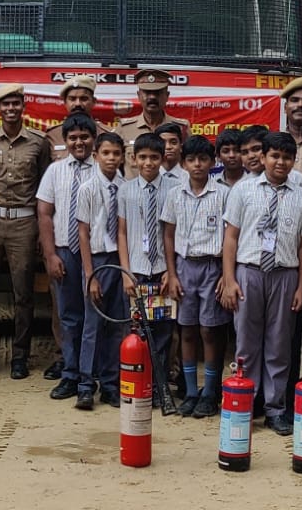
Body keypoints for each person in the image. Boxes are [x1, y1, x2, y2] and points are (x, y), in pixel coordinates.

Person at [220, 132, 302, 436]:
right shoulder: (243, 190)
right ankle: (244, 404)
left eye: (287, 157)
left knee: (279, 344)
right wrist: (229, 279)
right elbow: (231, 238)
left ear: (293, 161)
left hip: (284, 275)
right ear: (263, 158)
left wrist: (301, 287)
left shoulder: (300, 195)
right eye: (274, 156)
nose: (280, 162)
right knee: (246, 343)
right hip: (249, 273)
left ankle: (275, 409)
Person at [0, 83, 51, 379]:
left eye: (16, 104)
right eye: (5, 104)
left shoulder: (38, 142)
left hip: (24, 225)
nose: (11, 109)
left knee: (23, 294)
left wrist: (39, 234)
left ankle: (20, 357)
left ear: (23, 107)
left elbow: (44, 187)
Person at [162, 135, 230, 418]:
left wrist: (227, 274)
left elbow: (229, 237)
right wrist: (172, 273)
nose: (198, 165)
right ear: (183, 163)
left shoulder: (223, 193)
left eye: (203, 159)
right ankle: (191, 391)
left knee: (209, 331)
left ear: (212, 162)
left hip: (212, 268)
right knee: (186, 329)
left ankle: (210, 393)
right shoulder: (175, 194)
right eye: (191, 160)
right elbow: (168, 234)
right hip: (184, 267)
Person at [37, 113, 97, 401]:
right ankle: (70, 375)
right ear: (65, 140)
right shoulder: (54, 171)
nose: (79, 142)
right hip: (65, 253)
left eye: (84, 136)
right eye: (73, 137)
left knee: (95, 317)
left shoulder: (105, 170)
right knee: (69, 317)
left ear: (93, 139)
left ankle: (94, 375)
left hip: (97, 256)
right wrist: (50, 255)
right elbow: (45, 214)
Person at [115, 135, 177, 407]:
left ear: (163, 158)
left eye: (154, 157)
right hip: (137, 272)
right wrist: (125, 272)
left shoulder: (175, 188)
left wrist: (171, 271)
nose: (148, 162)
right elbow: (122, 231)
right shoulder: (126, 190)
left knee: (163, 333)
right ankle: (139, 385)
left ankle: (159, 388)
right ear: (134, 159)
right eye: (143, 157)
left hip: (162, 271)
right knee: (138, 331)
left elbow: (176, 233)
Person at [74, 132, 128, 410]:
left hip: (119, 262)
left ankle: (110, 384)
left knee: (117, 325)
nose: (111, 158)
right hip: (96, 260)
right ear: (95, 156)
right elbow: (82, 233)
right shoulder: (87, 188)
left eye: (116, 154)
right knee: (92, 326)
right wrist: (89, 274)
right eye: (105, 153)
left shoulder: (126, 187)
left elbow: (124, 231)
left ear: (122, 157)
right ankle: (85, 385)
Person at [116, 69, 190, 178]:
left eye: (157, 93)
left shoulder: (181, 128)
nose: (152, 97)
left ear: (167, 95)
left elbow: (190, 162)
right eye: (147, 92)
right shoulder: (125, 128)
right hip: (134, 193)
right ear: (139, 95)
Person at [46, 75, 103, 156]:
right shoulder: (52, 135)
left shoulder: (105, 133)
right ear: (65, 102)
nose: (78, 104)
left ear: (94, 101)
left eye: (84, 99)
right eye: (72, 99)